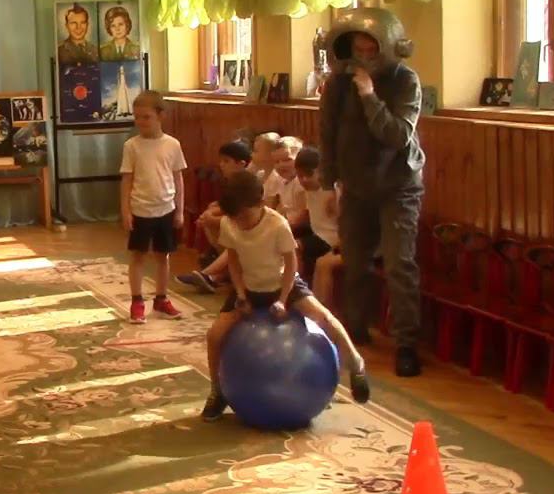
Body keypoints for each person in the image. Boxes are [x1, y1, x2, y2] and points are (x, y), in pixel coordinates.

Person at [199, 171, 370, 421]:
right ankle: (217, 391)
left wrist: (282, 299)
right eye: (234, 218)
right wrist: (240, 293)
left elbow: (291, 265)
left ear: (260, 203)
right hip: (249, 287)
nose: (239, 222)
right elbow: (233, 260)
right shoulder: (229, 223)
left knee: (324, 317)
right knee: (214, 334)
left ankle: (356, 364)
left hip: (283, 285)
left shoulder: (277, 225)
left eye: (244, 216)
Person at [319, 7, 425, 377]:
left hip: (399, 185)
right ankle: (356, 329)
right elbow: (328, 134)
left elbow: (397, 135)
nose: (364, 58)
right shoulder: (337, 84)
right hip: (356, 184)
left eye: (371, 50)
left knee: (399, 265)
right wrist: (329, 184)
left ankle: (406, 344)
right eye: (358, 50)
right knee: (355, 263)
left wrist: (368, 95)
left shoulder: (405, 81)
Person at [121, 91, 187, 324]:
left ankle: (161, 298)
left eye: (146, 117)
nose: (140, 122)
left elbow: (178, 179)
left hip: (166, 209)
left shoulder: (172, 144)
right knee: (138, 255)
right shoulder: (131, 146)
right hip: (140, 209)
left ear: (161, 116)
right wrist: (126, 211)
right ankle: (137, 301)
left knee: (163, 256)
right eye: (137, 117)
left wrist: (179, 210)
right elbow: (127, 180)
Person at [176, 140, 251, 292]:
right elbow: (224, 204)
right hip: (239, 223)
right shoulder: (231, 182)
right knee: (210, 219)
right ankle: (221, 273)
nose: (221, 165)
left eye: (226, 161)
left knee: (230, 235)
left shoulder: (248, 183)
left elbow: (242, 213)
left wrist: (212, 217)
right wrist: (209, 213)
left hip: (248, 227)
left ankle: (208, 274)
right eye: (221, 161)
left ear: (241, 164)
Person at [294, 147, 340, 281]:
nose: (304, 180)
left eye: (309, 175)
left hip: (331, 237)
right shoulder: (309, 190)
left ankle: (297, 285)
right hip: (318, 233)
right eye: (300, 176)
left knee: (295, 246)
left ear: (321, 171)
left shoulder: (331, 192)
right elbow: (307, 213)